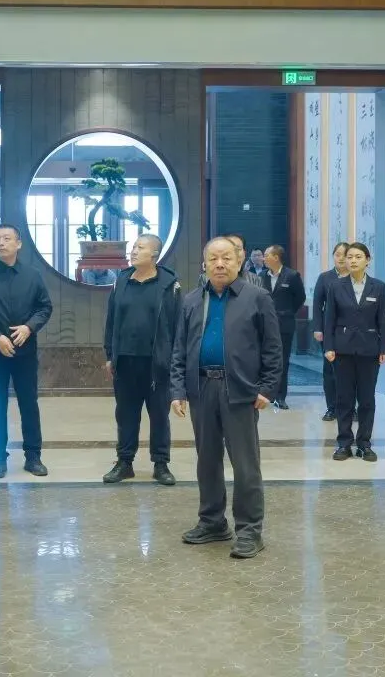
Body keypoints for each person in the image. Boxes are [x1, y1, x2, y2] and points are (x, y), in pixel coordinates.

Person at [170, 237, 283, 559]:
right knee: (207, 461)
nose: (220, 264)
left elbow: (273, 348)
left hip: (241, 392)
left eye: (226, 258)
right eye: (213, 258)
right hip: (202, 389)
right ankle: (212, 522)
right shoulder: (192, 300)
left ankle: (249, 530)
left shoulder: (257, 298)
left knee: (245, 465)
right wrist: (178, 390)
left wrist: (267, 388)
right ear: (204, 263)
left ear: (239, 261)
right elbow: (179, 348)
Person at [0, 224, 53, 479]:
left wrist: (29, 327)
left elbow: (44, 308)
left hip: (25, 351)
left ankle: (33, 457)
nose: (1, 243)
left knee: (29, 403)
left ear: (19, 243)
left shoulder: (32, 275)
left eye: (6, 238)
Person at [102, 234, 180, 486]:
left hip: (157, 364)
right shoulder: (122, 281)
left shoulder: (169, 285)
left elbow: (177, 325)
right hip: (125, 361)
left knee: (159, 416)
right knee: (126, 414)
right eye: (134, 247)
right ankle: (124, 463)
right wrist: (110, 355)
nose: (134, 251)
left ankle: (161, 464)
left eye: (140, 247)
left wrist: (174, 361)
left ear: (154, 255)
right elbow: (111, 320)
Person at [324, 242, 385, 462]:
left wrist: (384, 348)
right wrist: (329, 346)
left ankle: (364, 444)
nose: (353, 260)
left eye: (358, 257)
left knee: (367, 399)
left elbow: (383, 319)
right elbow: (329, 319)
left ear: (367, 260)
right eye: (350, 256)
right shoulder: (336, 286)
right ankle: (344, 443)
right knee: (344, 399)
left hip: (369, 350)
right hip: (342, 350)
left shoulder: (378, 286)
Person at [263, 245, 306, 410]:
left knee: (282, 360)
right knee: (265, 360)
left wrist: (288, 312)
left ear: (276, 257)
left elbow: (300, 298)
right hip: (264, 324)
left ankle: (280, 396)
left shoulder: (292, 276)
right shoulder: (262, 276)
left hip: (284, 324)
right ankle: (267, 393)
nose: (264, 258)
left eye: (266, 255)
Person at [312, 242, 350, 421]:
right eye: (337, 254)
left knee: (350, 371)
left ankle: (350, 407)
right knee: (330, 370)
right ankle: (332, 408)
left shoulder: (356, 277)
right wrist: (317, 328)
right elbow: (317, 305)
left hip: (352, 331)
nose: (341, 258)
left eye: (345, 255)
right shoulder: (325, 278)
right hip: (329, 331)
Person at [196, 233, 263, 289]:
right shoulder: (205, 278)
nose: (234, 253)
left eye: (237, 249)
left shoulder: (255, 280)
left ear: (244, 254)